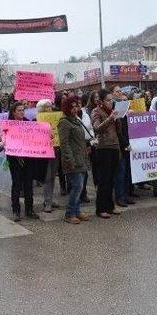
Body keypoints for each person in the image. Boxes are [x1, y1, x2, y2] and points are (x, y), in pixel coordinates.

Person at [57, 96, 90, 224]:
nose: (75, 109)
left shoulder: (76, 120)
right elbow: (64, 143)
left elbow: (79, 138)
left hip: (81, 157)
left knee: (79, 186)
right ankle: (69, 213)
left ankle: (76, 211)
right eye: (72, 107)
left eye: (77, 106)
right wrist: (70, 160)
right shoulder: (64, 122)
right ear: (67, 108)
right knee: (77, 186)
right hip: (72, 160)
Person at [91, 89, 121, 219]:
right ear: (101, 101)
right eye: (108, 100)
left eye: (111, 100)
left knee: (112, 179)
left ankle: (110, 206)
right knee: (104, 180)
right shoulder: (96, 111)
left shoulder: (113, 111)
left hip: (114, 146)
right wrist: (110, 118)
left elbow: (117, 129)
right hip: (103, 148)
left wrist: (119, 117)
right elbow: (97, 128)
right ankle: (101, 208)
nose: (111, 102)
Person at [6, 102, 36, 221]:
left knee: (28, 184)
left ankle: (29, 209)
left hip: (28, 158)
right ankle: (16, 210)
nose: (22, 112)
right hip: (14, 159)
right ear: (13, 112)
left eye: (23, 110)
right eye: (19, 110)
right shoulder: (8, 125)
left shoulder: (29, 123)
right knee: (16, 184)